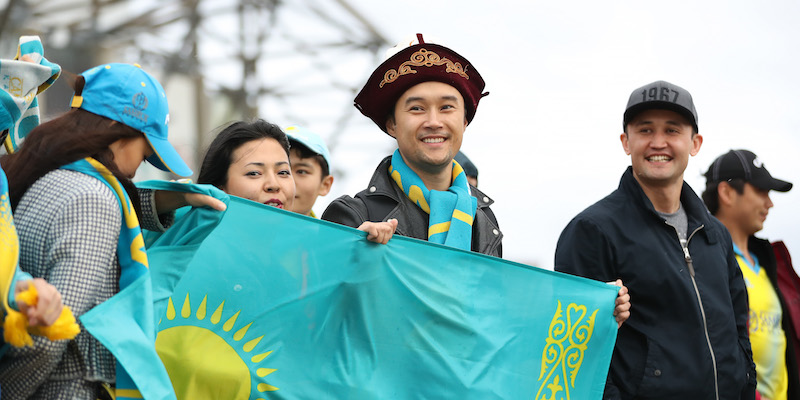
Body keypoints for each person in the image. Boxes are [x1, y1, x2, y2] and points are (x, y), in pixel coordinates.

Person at [0, 63, 224, 399]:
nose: (137, 169)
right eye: (145, 152)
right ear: (116, 131)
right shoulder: (94, 198)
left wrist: (170, 199)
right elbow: (52, 334)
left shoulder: (40, 178)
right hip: (68, 389)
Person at [555, 80, 756, 399]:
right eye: (645, 130)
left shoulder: (715, 233)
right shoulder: (592, 231)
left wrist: (745, 384)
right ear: (626, 141)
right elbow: (574, 356)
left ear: (695, 142)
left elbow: (739, 327)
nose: (658, 142)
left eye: (672, 130)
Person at [322, 33, 501, 255]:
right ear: (392, 125)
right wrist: (355, 257)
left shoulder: (484, 220)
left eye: (446, 107)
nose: (434, 122)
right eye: (417, 108)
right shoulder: (354, 216)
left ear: (465, 121)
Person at [197, 119, 396, 244]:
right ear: (219, 187)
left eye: (283, 172)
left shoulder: (321, 250)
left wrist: (354, 251)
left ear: (326, 184)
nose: (273, 184)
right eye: (254, 173)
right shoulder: (188, 240)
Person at [702, 149, 798, 399]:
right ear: (727, 193)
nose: (770, 203)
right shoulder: (700, 260)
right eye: (761, 191)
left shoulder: (769, 262)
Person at [283, 125, 334, 218]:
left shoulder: (330, 233)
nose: (290, 181)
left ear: (325, 185)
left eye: (302, 171)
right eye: (282, 171)